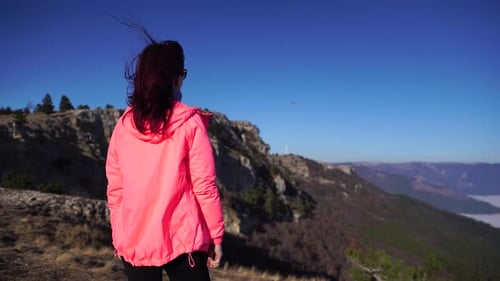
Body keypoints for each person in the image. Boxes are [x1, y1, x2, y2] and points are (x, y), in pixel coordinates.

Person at [105, 35, 224, 281]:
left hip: (135, 241)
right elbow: (204, 187)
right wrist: (216, 237)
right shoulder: (190, 123)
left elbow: (116, 190)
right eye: (182, 74)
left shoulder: (123, 127)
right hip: (184, 242)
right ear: (176, 78)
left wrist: (119, 234)